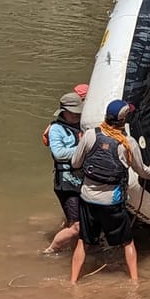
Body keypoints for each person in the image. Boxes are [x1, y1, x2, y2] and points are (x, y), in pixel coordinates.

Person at [68, 100, 150, 283]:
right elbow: (142, 171)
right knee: (127, 241)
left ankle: (73, 281)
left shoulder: (90, 136)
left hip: (87, 198)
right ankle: (134, 281)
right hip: (112, 202)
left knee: (83, 241)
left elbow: (75, 163)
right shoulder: (128, 143)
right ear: (124, 120)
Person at [42, 92, 84, 254]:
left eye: (78, 112)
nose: (76, 115)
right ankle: (51, 250)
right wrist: (83, 148)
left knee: (80, 221)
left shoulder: (82, 125)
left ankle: (76, 249)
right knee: (76, 227)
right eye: (72, 112)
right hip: (66, 184)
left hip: (82, 181)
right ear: (63, 111)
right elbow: (58, 154)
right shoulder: (56, 129)